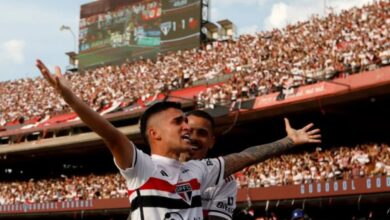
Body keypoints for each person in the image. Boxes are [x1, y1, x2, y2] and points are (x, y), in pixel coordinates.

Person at [36, 60, 321, 220]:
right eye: (179, 122)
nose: (187, 126)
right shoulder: (142, 168)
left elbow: (246, 156)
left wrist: (288, 142)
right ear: (154, 134)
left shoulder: (199, 171)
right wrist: (70, 98)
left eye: (188, 121)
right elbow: (109, 133)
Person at [180, 110, 237, 220]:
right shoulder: (155, 168)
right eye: (188, 132)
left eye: (202, 133)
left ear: (211, 142)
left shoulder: (224, 180)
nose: (194, 137)